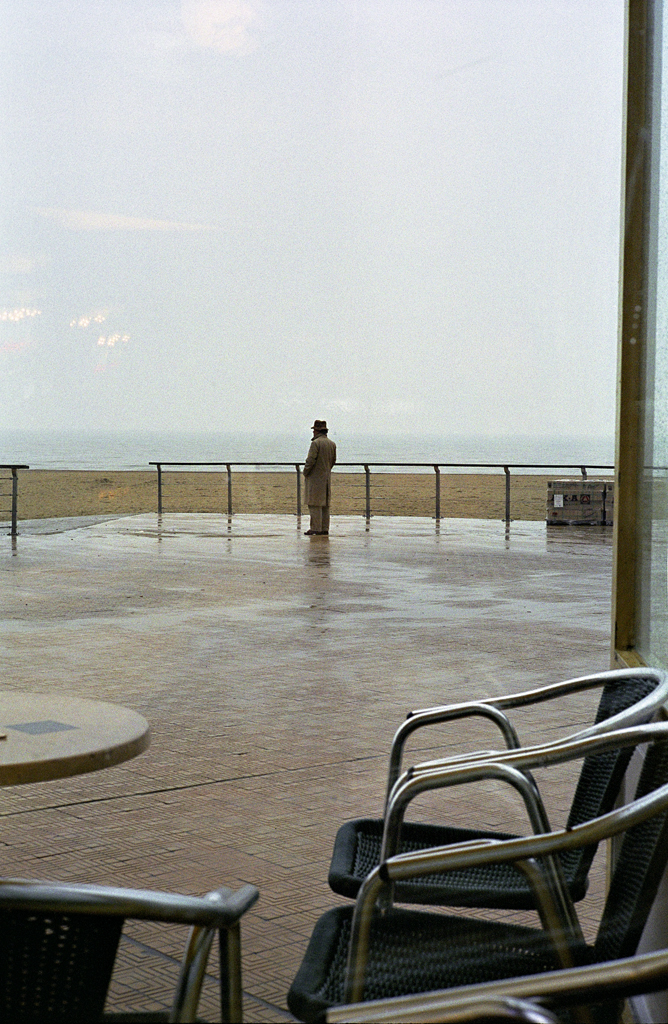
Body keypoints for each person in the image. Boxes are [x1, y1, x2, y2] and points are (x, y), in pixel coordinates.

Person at [303, 420, 337, 535]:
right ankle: (324, 528)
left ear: (316, 431)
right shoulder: (332, 444)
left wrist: (306, 472)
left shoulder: (316, 443)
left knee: (314, 504)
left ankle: (315, 528)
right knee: (325, 505)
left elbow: (310, 461)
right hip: (326, 478)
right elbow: (333, 461)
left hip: (315, 479)